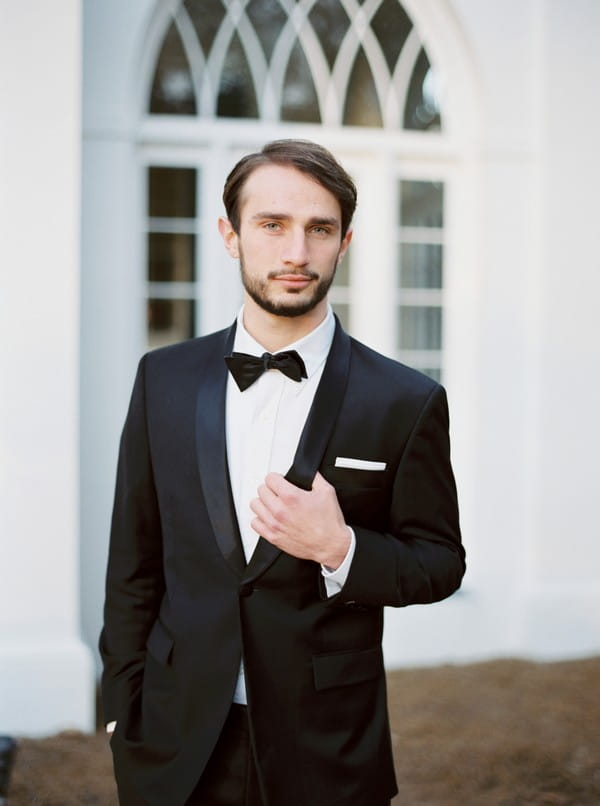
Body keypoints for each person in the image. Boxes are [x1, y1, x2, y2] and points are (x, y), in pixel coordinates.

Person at [100, 139, 465, 806]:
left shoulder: (405, 402)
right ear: (231, 235)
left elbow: (440, 564)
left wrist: (341, 548)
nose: (296, 252)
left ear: (344, 242)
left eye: (318, 228)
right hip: (176, 741)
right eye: (271, 224)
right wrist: (122, 711)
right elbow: (134, 560)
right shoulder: (163, 380)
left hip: (327, 747)